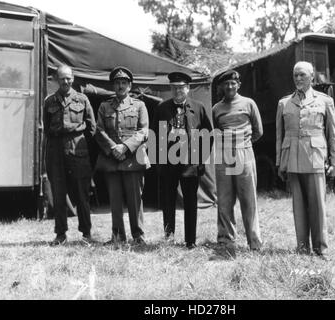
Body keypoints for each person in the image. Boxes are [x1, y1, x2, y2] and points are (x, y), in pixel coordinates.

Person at [276, 61, 335, 259]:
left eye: (302, 75)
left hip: (315, 158)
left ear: (312, 76)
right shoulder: (284, 103)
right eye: (295, 75)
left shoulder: (324, 101)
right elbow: (279, 135)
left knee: (318, 205)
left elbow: (332, 133)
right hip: (292, 159)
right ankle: (302, 248)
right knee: (298, 206)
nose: (298, 79)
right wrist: (280, 162)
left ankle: (321, 248)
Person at [152, 72, 213, 249]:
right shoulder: (162, 108)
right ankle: (169, 238)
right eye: (174, 87)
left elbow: (208, 136)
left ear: (188, 88)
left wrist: (200, 160)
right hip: (168, 163)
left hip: (190, 163)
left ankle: (190, 241)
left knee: (190, 202)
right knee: (168, 200)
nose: (178, 91)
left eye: (181, 87)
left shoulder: (199, 107)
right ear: (170, 89)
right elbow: (153, 136)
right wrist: (159, 161)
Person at [95, 66, 150, 246]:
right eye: (117, 83)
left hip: (133, 160)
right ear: (113, 85)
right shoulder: (104, 106)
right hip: (111, 160)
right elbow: (99, 130)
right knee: (115, 201)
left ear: (129, 85)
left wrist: (125, 147)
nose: (120, 86)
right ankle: (118, 236)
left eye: (124, 83)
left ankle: (138, 236)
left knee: (135, 200)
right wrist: (113, 148)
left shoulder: (139, 105)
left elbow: (144, 131)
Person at [43, 65, 96, 245]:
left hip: (78, 150)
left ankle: (86, 234)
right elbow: (47, 129)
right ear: (57, 79)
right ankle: (60, 234)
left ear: (73, 78)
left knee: (82, 194)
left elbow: (92, 129)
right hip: (56, 151)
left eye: (68, 78)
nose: (65, 81)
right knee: (58, 194)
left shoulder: (82, 99)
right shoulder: (49, 101)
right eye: (62, 78)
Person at [212, 70, 263, 256]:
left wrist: (242, 145)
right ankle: (226, 240)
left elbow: (258, 131)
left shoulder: (249, 104)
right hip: (224, 156)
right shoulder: (216, 108)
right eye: (226, 84)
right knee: (224, 199)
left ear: (238, 84)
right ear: (221, 87)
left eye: (233, 83)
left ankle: (254, 241)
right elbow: (216, 131)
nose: (230, 87)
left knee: (248, 198)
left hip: (244, 153)